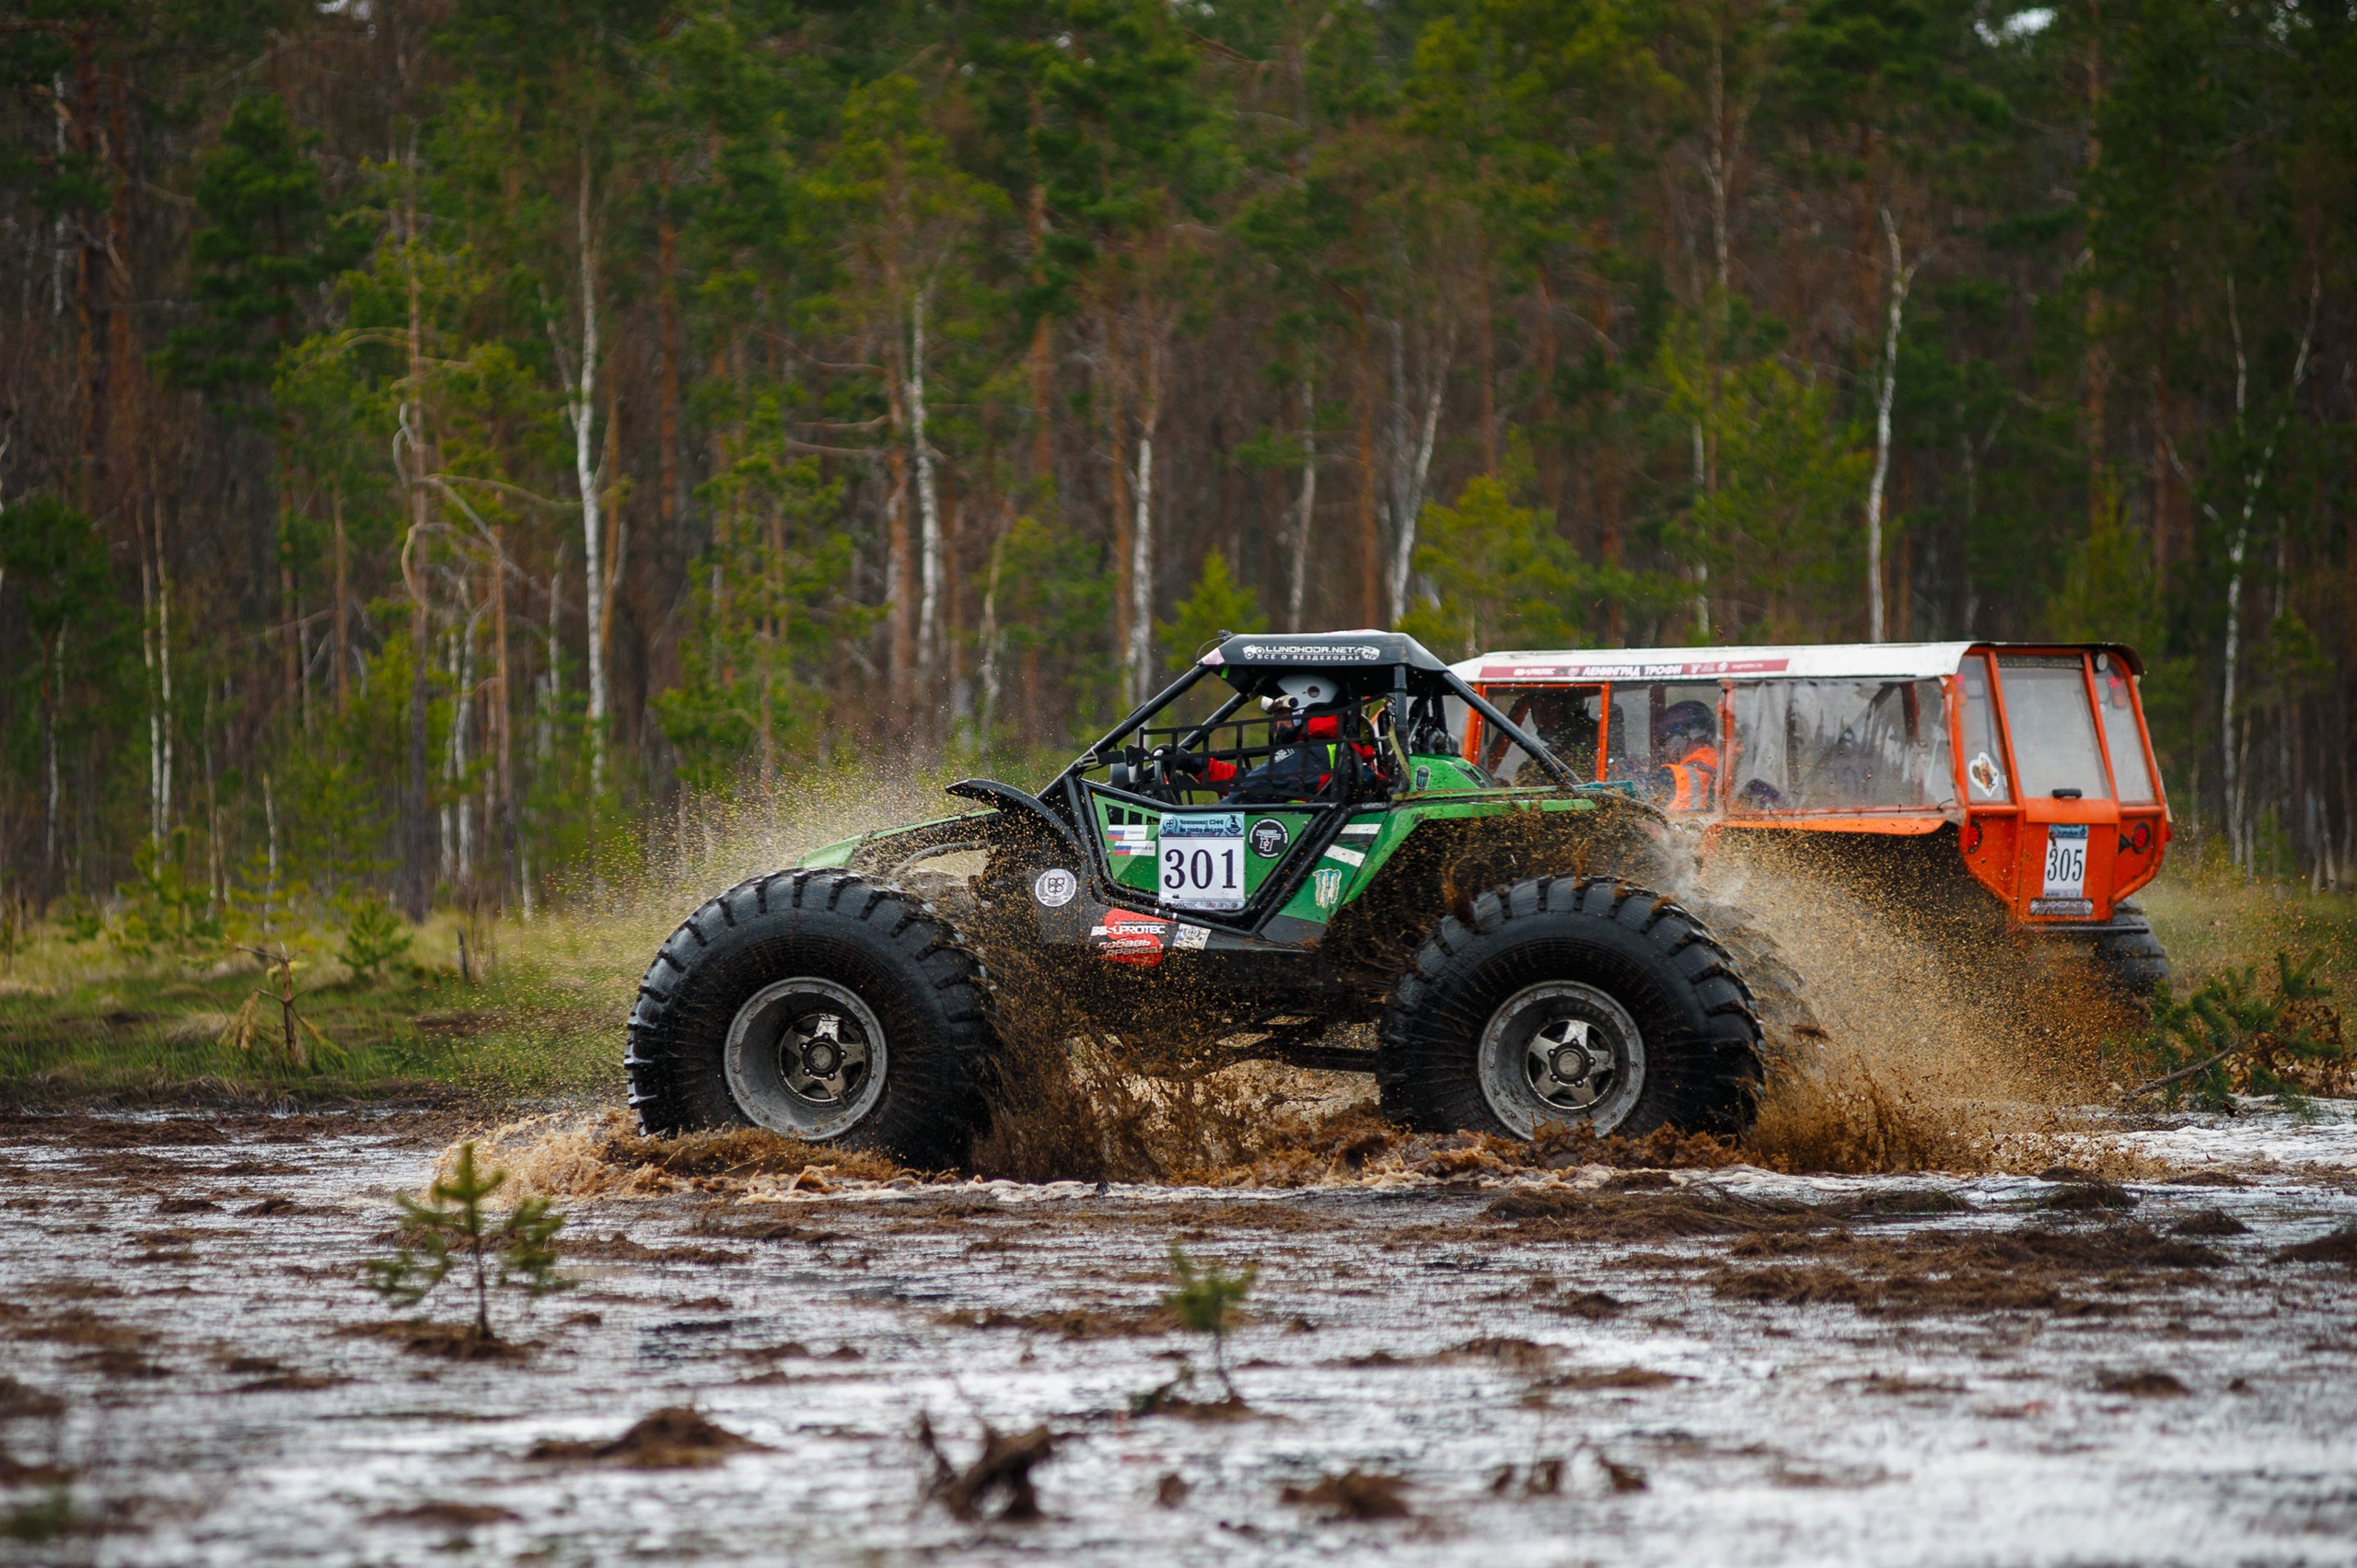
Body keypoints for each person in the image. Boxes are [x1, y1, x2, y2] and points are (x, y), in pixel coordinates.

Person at [1175, 674, 1388, 803]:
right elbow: (1252, 783)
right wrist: (1197, 766)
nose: (1276, 725)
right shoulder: (1332, 750)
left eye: (1281, 715)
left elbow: (1248, 792)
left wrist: (1197, 822)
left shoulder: (1310, 755)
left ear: (1306, 708)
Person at [1647, 699, 1720, 811]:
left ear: (1676, 740)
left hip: (1683, 828)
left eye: (1663, 742)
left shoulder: (1669, 775)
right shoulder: (1726, 765)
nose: (1664, 749)